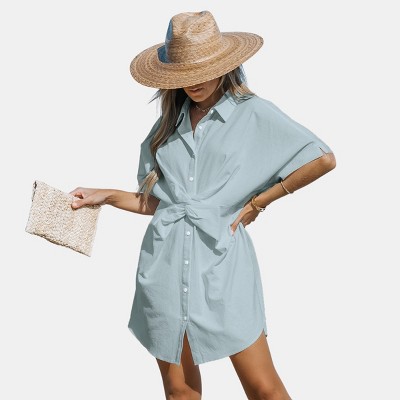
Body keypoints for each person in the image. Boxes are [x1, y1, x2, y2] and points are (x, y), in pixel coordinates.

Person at [70, 10, 336, 400]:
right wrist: (105, 196)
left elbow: (322, 159)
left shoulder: (252, 113)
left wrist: (260, 202)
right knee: (180, 392)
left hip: (222, 264)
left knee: (265, 390)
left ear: (224, 65)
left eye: (202, 70)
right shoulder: (167, 125)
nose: (194, 81)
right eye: (184, 73)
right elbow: (160, 204)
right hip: (164, 265)